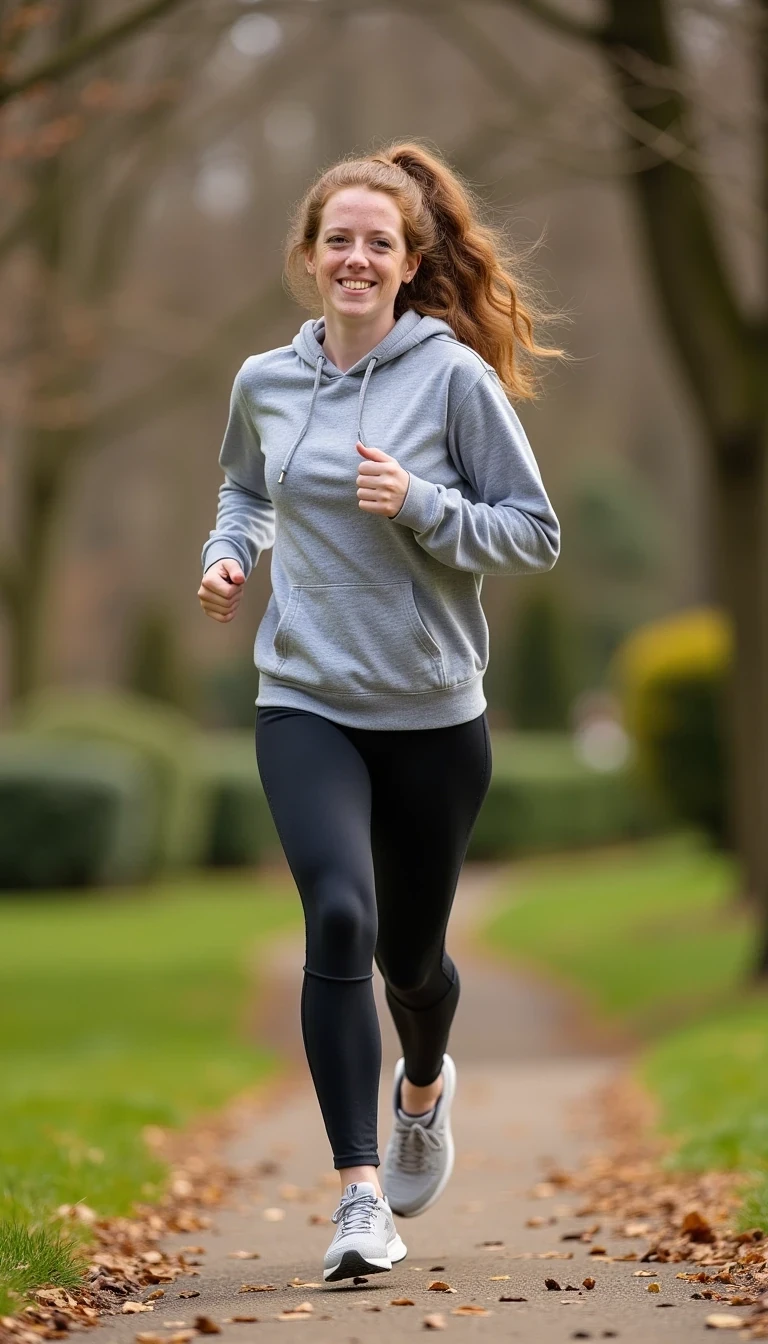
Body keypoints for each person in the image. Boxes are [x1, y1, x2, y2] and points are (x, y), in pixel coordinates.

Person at [197, 140, 561, 1284]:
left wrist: (421, 505)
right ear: (309, 258)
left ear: (407, 264)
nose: (356, 258)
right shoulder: (264, 380)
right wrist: (228, 552)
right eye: (337, 240)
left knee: (413, 960)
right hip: (304, 696)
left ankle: (423, 1086)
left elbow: (532, 531)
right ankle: (360, 1195)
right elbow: (245, 487)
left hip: (434, 714)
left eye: (378, 243)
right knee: (340, 920)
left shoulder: (450, 378)